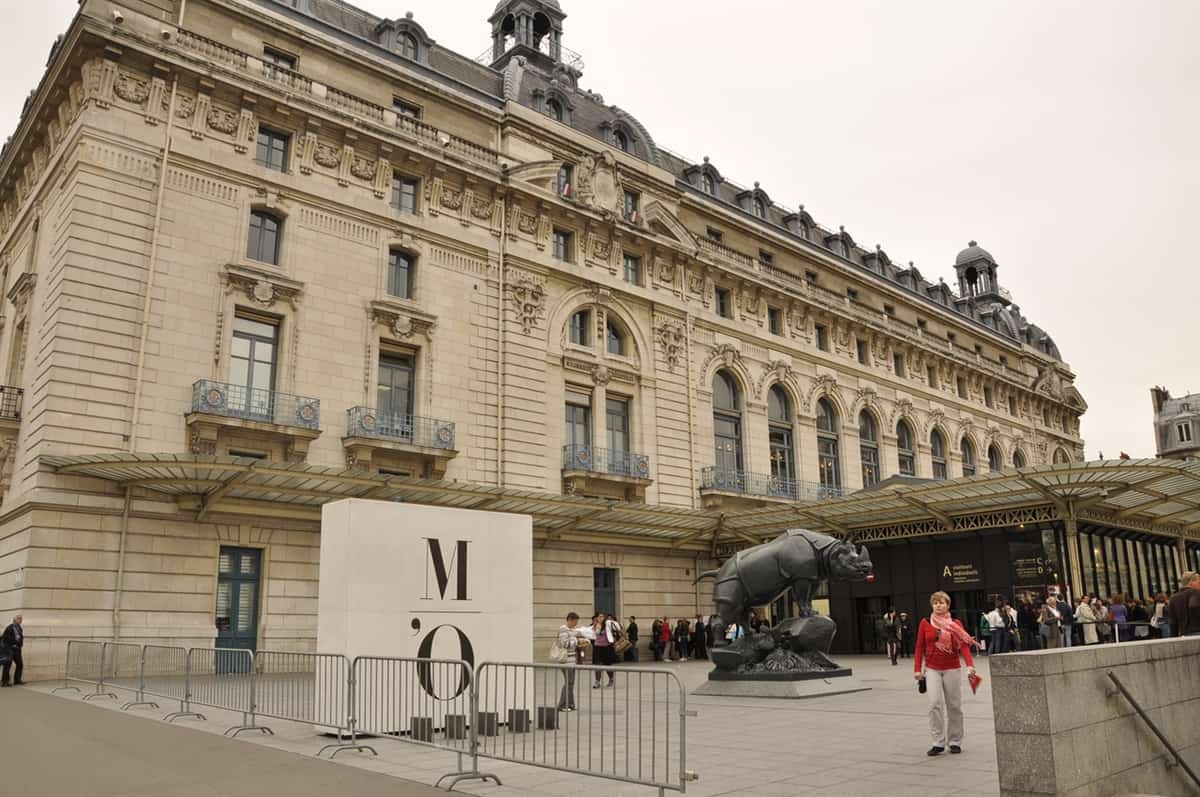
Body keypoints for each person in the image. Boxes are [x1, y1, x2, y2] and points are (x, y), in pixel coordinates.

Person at [914, 592, 977, 756]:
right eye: (935, 603)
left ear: (948, 605)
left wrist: (970, 665)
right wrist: (917, 669)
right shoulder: (925, 623)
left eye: (941, 602)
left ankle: (955, 741)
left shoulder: (955, 623)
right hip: (932, 668)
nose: (938, 605)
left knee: (954, 706)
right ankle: (938, 742)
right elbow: (919, 647)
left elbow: (963, 645)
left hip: (952, 668)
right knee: (934, 704)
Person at [554, 612, 586, 711]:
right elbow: (565, 644)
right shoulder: (563, 629)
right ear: (570, 620)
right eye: (575, 622)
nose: (575, 624)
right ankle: (562, 705)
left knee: (571, 682)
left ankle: (570, 704)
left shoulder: (570, 630)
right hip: (566, 661)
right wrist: (577, 641)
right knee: (568, 683)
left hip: (571, 660)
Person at [1167, 571, 1200, 637]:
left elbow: (1173, 622)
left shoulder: (1173, 598)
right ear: (1191, 582)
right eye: (1199, 582)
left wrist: (1174, 638)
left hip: (1184, 635)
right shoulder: (1197, 593)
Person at [591, 613, 618, 687]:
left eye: (602, 616)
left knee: (607, 665)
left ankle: (611, 678)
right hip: (597, 647)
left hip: (606, 647)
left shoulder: (608, 625)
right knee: (597, 665)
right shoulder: (594, 625)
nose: (601, 618)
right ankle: (597, 681)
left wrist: (612, 622)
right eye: (599, 616)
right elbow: (591, 633)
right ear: (596, 618)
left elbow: (617, 628)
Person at [1, 614, 23, 687]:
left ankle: (17, 680)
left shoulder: (19, 628)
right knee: (7, 665)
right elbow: (6, 638)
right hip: (10, 649)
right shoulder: (9, 628)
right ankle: (5, 682)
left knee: (20, 664)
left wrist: (20, 644)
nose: (20, 620)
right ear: (14, 620)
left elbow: (20, 638)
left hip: (17, 649)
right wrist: (15, 642)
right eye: (19, 619)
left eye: (21, 619)